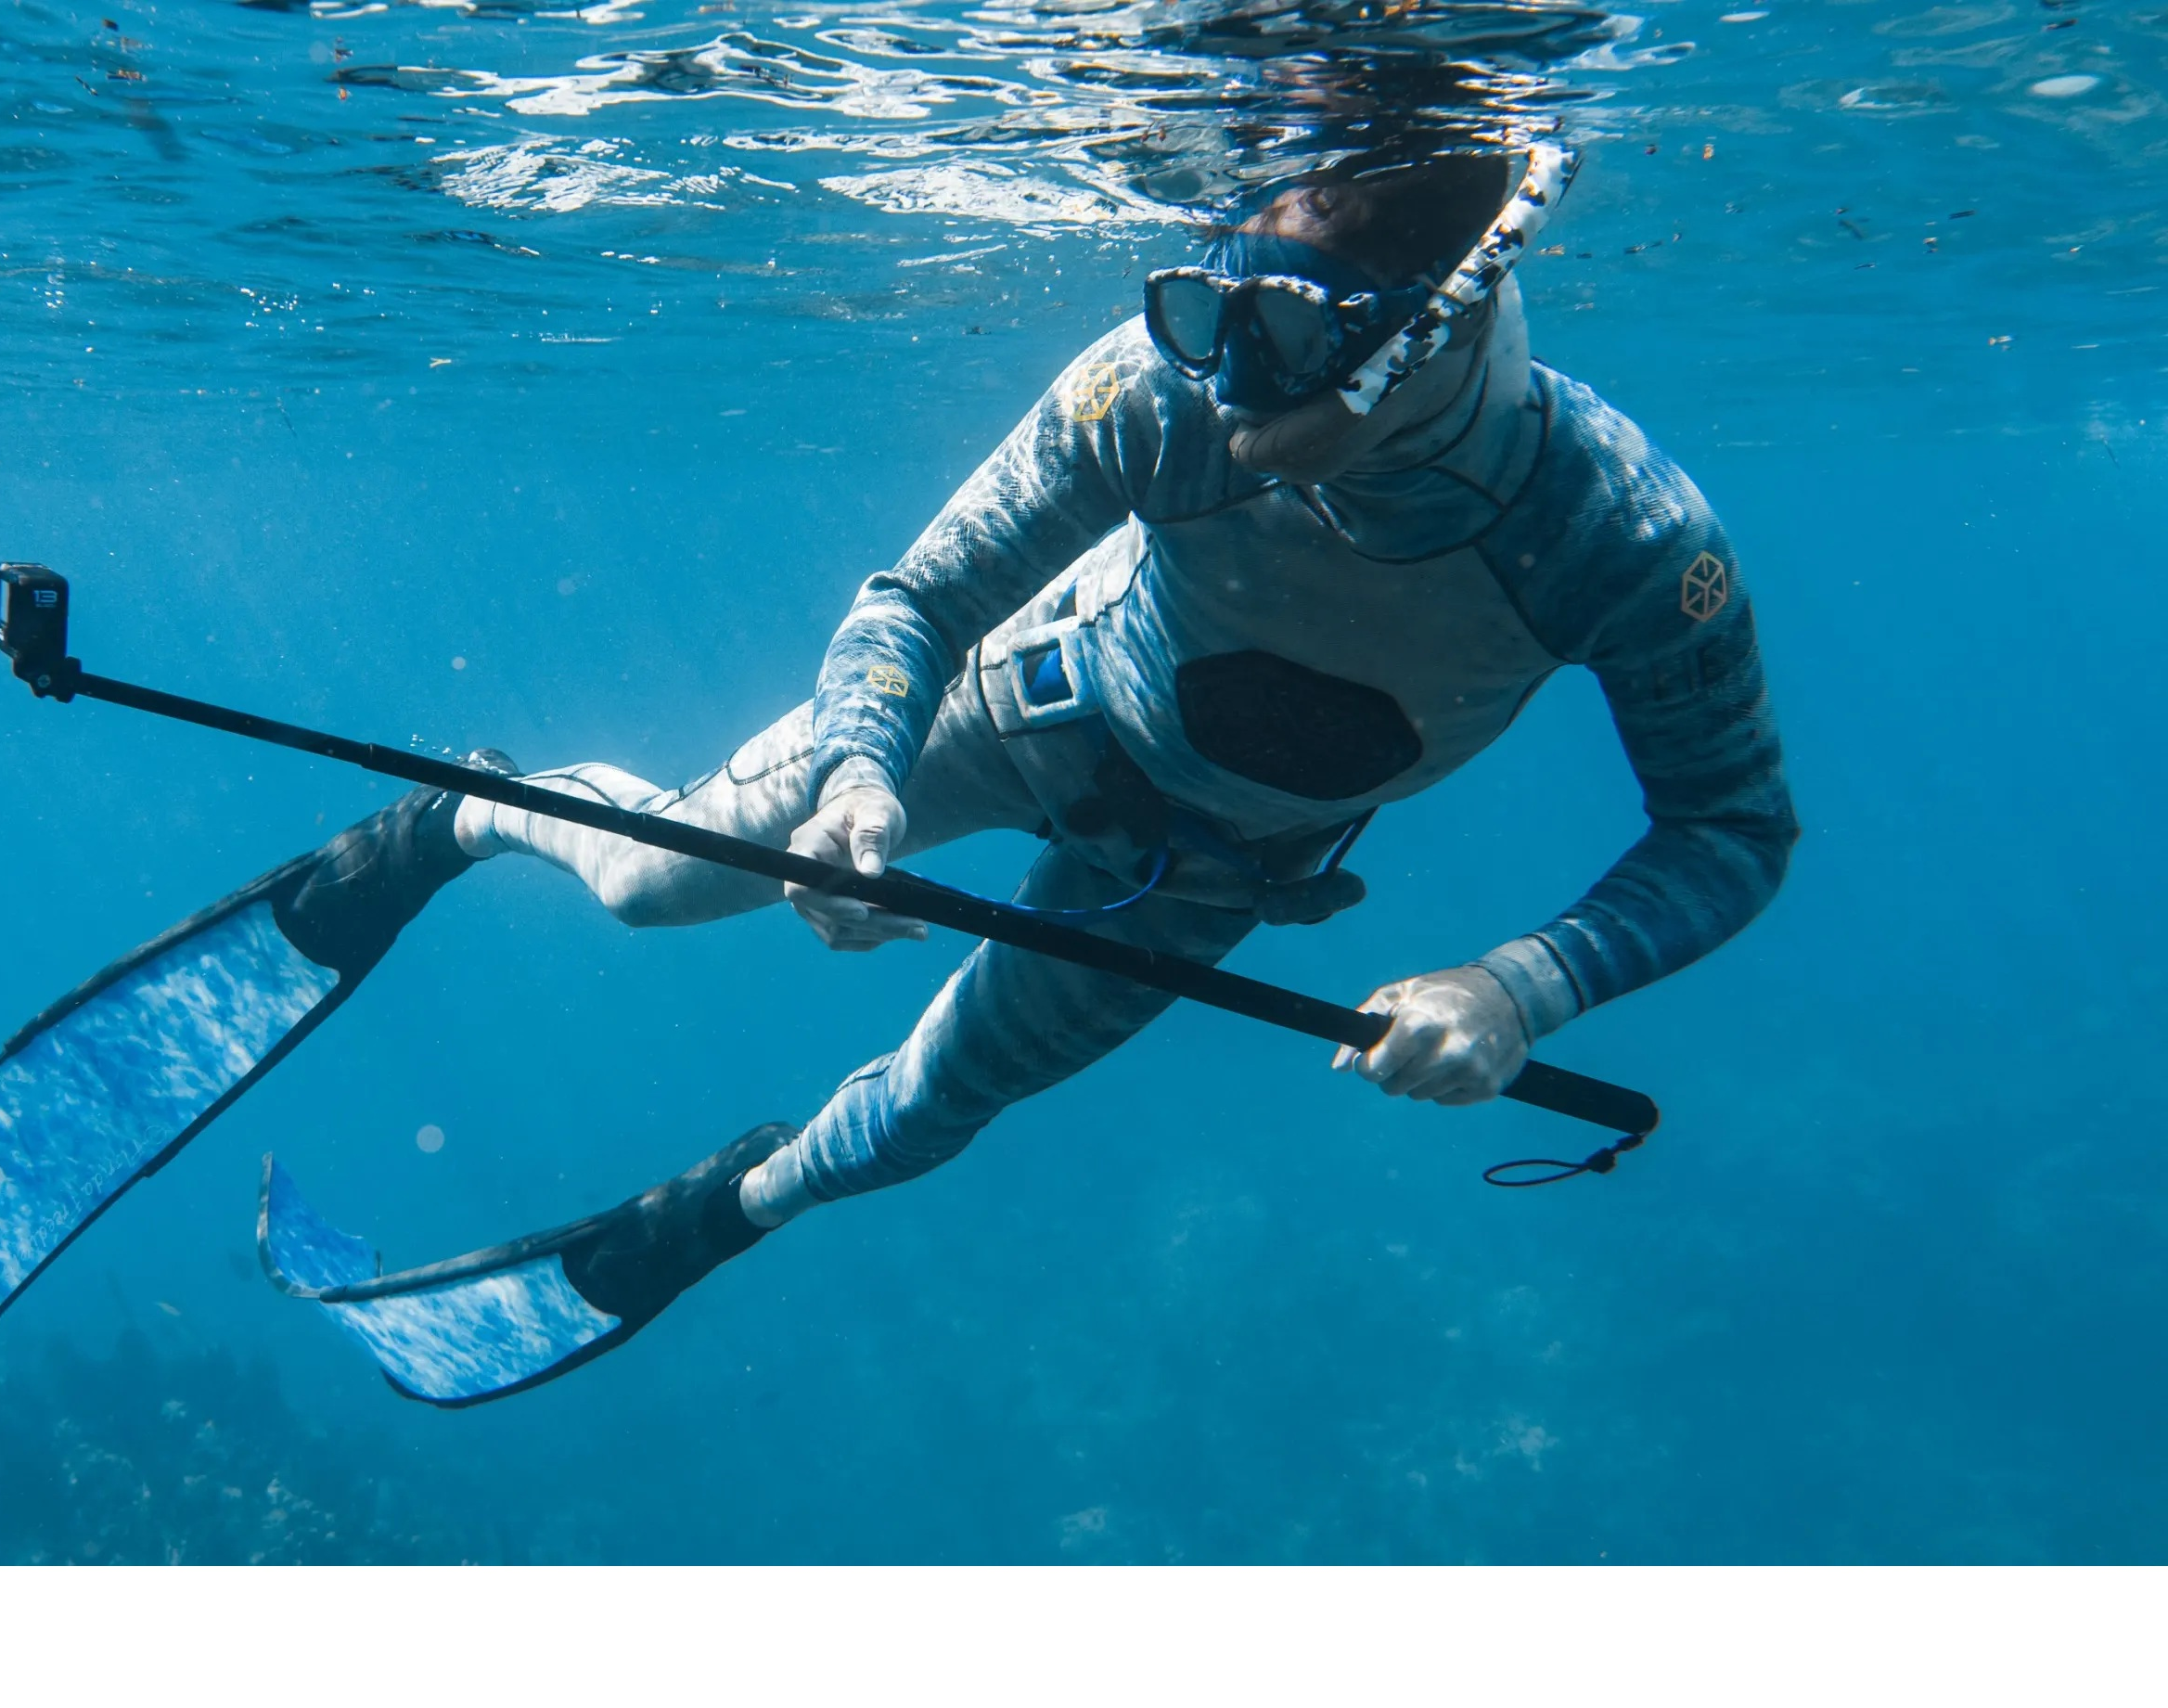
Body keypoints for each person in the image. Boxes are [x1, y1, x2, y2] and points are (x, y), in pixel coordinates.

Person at [389, 140, 1796, 1308]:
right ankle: (466, 810)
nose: (1234, 377)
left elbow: (1730, 828)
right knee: (647, 884)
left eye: (1293, 331)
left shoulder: (1619, 534)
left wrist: (1514, 990)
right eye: (1210, 317)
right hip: (1023, 699)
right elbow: (919, 604)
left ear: (1449, 322)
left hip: (1216, 864)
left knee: (930, 1112)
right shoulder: (1153, 390)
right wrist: (856, 779)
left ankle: (729, 1209)